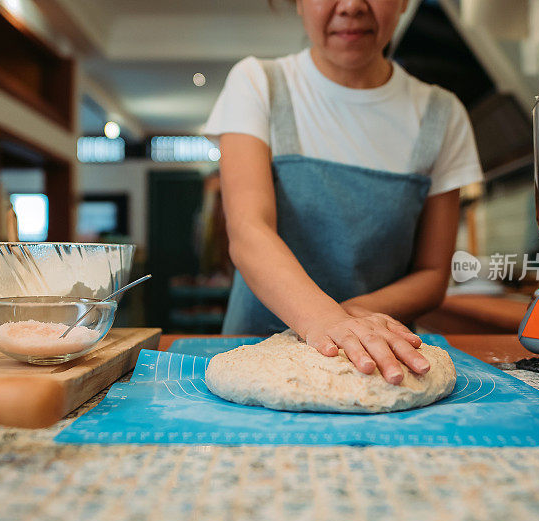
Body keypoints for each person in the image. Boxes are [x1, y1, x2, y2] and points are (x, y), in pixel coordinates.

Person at [203, 0, 483, 385]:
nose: (351, 6)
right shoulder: (258, 82)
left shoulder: (442, 113)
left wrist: (354, 314)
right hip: (259, 347)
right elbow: (250, 230)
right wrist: (324, 318)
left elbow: (433, 273)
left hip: (381, 360)